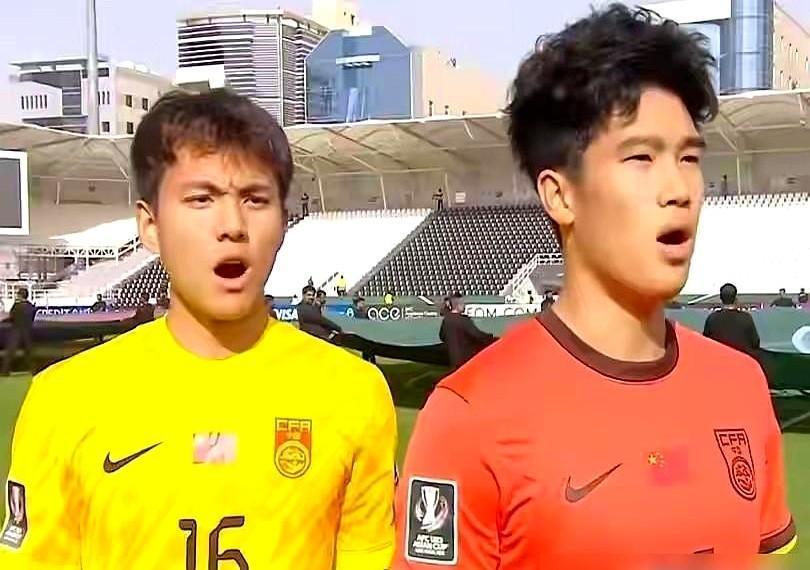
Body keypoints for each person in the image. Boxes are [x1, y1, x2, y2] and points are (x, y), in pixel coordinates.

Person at [393, 6, 795, 568]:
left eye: (688, 158)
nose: (679, 188)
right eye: (641, 157)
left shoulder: (740, 385)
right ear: (560, 195)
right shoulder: (469, 417)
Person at [2, 90, 396, 569]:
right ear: (151, 226)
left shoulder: (353, 393)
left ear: (283, 222)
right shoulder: (64, 400)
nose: (232, 225)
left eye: (255, 199)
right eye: (201, 199)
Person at [438, 293, 496, 370]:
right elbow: (477, 335)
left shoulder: (446, 320)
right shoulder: (464, 320)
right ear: (459, 305)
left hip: (453, 358)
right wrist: (491, 338)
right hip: (467, 359)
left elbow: (442, 336)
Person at [703, 283, 761, 358]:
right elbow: (755, 342)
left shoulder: (712, 318)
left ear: (721, 298)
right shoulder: (746, 318)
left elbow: (706, 342)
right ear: (735, 298)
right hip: (741, 360)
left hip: (718, 359)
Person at [1, 288, 37, 376]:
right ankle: (34, 371)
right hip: (27, 332)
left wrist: (3, 321)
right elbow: (32, 319)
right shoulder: (31, 307)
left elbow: (12, 317)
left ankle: (5, 371)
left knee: (10, 352)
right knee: (29, 352)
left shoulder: (17, 306)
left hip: (16, 331)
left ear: (20, 296)